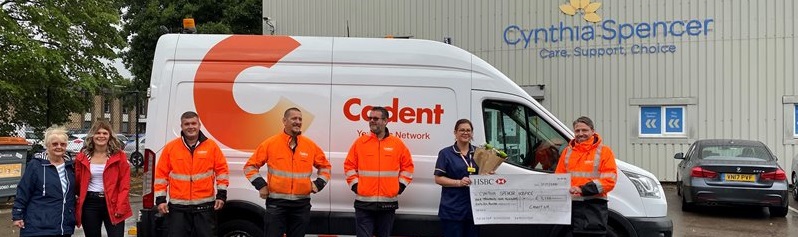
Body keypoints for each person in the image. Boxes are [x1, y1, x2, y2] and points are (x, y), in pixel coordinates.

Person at [243, 108, 332, 237]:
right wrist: (261, 185)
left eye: (300, 119)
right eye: (294, 118)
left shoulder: (310, 145)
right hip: (276, 205)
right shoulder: (271, 144)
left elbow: (325, 167)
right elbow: (250, 167)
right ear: (284, 121)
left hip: (301, 206)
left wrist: (318, 184)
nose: (298, 122)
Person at [155, 111, 230, 237]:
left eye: (193, 123)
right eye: (187, 124)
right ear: (182, 127)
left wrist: (221, 195)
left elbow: (222, 171)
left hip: (204, 207)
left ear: (199, 125)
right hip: (178, 208)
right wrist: (161, 200)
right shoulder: (171, 148)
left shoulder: (211, 147)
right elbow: (161, 175)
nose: (190, 127)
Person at [344, 106, 415, 237]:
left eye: (375, 118)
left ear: (386, 121)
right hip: (364, 203)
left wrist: (399, 187)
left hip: (387, 204)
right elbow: (349, 166)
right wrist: (355, 186)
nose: (372, 121)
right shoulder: (360, 143)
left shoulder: (397, 144)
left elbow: (408, 167)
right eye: (370, 118)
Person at [555, 116, 617, 236]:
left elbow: (609, 181)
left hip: (593, 207)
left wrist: (582, 189)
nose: (580, 134)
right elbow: (559, 178)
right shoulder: (567, 152)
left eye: (584, 130)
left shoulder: (604, 151)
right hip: (570, 207)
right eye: (577, 131)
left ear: (592, 131)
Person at [12, 126, 76, 236]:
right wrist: (17, 214)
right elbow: (24, 190)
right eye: (55, 144)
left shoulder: (70, 167)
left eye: (63, 144)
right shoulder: (36, 165)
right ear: (47, 145)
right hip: (38, 224)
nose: (59, 147)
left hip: (63, 225)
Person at [75, 120, 132, 237]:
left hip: (113, 202)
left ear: (109, 136)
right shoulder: (82, 157)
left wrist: (121, 206)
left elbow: (124, 184)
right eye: (98, 133)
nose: (101, 136)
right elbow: (77, 182)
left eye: (105, 133)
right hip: (90, 204)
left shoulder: (119, 156)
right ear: (92, 136)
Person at [434, 119, 479, 237]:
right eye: (462, 130)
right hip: (452, 210)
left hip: (474, 210)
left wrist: (489, 174)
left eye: (468, 130)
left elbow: (483, 174)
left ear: (472, 133)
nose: (465, 133)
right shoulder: (445, 153)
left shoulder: (479, 153)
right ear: (455, 133)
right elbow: (438, 179)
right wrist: (458, 182)